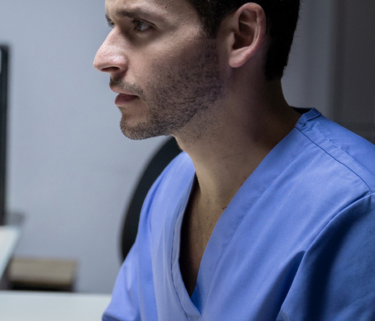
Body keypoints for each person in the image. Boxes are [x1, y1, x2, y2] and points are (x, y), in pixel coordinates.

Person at [94, 0, 375, 319]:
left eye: (142, 25)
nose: (102, 58)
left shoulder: (357, 213)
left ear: (241, 36)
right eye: (111, 26)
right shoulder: (170, 185)